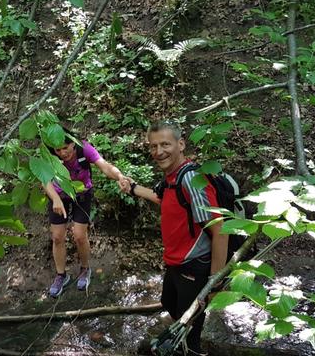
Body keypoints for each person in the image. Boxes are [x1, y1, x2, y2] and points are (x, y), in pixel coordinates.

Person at [118, 121, 229, 355]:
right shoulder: (172, 178)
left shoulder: (191, 179)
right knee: (169, 303)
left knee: (189, 333)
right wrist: (132, 187)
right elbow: (162, 197)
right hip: (175, 263)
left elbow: (220, 230)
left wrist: (215, 281)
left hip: (195, 266)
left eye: (165, 144)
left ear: (180, 144)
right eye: (153, 146)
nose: (158, 152)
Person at [44, 129, 129, 298]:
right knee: (57, 237)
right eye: (58, 150)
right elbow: (44, 179)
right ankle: (61, 275)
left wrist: (120, 176)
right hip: (58, 197)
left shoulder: (85, 149)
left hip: (82, 194)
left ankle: (84, 269)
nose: (62, 153)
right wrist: (55, 199)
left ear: (72, 143)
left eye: (65, 147)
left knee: (79, 236)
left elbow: (104, 166)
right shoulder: (47, 156)